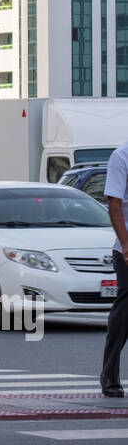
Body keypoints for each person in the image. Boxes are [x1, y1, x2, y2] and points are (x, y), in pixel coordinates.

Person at [100, 139, 128, 397]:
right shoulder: (122, 156)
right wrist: (125, 243)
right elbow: (115, 203)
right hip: (127, 249)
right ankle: (110, 375)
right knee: (125, 310)